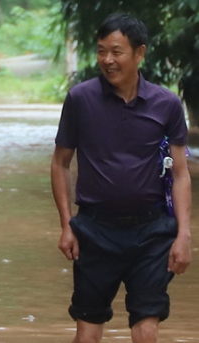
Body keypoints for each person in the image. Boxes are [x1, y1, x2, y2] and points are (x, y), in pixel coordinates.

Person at [51, 13, 192, 343]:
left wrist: (184, 234)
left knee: (146, 329)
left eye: (116, 52)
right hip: (94, 231)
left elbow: (181, 173)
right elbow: (60, 163)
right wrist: (66, 224)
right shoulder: (80, 99)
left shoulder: (167, 104)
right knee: (87, 331)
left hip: (152, 234)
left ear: (139, 53)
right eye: (101, 51)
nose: (107, 60)